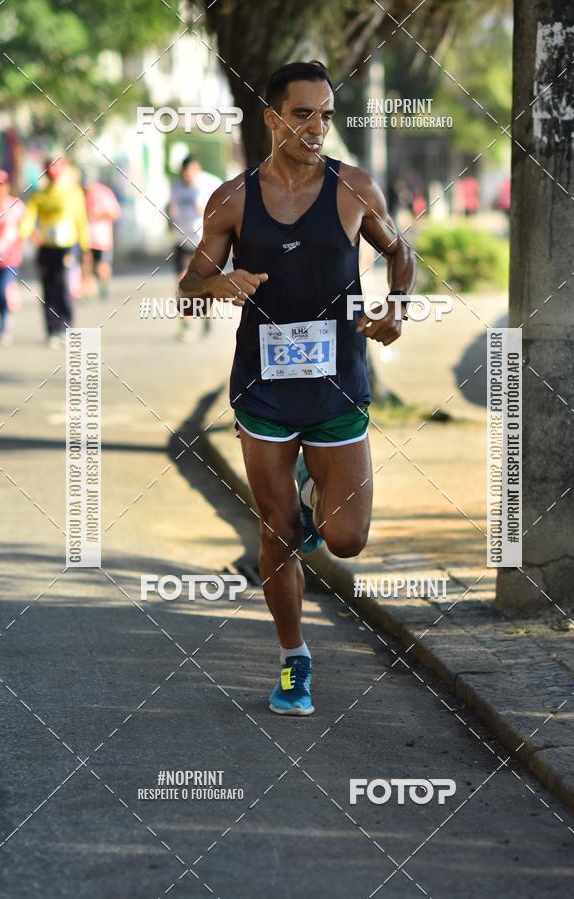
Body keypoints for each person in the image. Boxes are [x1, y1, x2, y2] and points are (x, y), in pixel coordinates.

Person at [178, 61, 416, 716]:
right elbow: (188, 289)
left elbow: (402, 254)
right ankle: (293, 661)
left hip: (338, 384)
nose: (317, 128)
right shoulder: (232, 199)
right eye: (303, 113)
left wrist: (397, 305)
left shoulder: (354, 188)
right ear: (272, 117)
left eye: (327, 115)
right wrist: (216, 285)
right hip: (263, 391)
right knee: (278, 531)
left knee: (347, 541)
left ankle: (318, 494)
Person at [19, 158, 91, 347]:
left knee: (64, 287)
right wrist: (22, 234)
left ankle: (66, 328)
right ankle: (52, 330)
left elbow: (80, 220)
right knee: (48, 289)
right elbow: (29, 219)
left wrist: (85, 246)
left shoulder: (72, 192)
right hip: (46, 249)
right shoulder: (39, 195)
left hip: (67, 247)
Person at [169, 155, 221, 340]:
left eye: (191, 172)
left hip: (203, 241)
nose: (187, 176)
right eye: (185, 172)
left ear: (197, 169)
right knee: (182, 282)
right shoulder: (175, 185)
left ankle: (207, 313)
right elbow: (172, 206)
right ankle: (186, 324)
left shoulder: (209, 183)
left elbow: (224, 203)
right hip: (181, 241)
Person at [0, 170, 25, 345]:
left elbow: (22, 227)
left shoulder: (15, 205)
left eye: (1, 186)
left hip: (10, 259)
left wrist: (16, 243)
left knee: (2, 290)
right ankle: (3, 316)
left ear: (6, 186)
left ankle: (6, 324)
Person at [84, 180, 121, 300]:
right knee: (86, 264)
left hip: (102, 239)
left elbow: (115, 213)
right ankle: (88, 292)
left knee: (102, 265)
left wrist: (98, 215)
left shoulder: (105, 193)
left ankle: (103, 286)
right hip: (86, 237)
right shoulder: (81, 195)